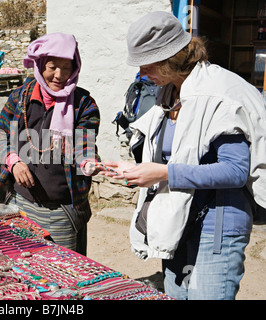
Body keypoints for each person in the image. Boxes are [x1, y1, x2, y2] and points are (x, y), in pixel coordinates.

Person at [102, 11, 266, 300]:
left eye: (147, 66)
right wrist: (134, 168)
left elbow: (235, 171)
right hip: (181, 216)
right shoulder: (172, 92)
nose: (142, 74)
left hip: (217, 223)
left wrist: (164, 173)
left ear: (170, 60)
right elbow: (173, 153)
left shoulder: (217, 95)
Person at [0, 33, 103, 255]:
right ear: (41, 65)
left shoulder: (83, 105)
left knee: (65, 274)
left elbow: (84, 146)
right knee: (20, 266)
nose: (59, 75)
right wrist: (13, 161)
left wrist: (88, 163)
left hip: (61, 210)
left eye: (67, 68)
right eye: (52, 67)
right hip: (20, 202)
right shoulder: (20, 97)